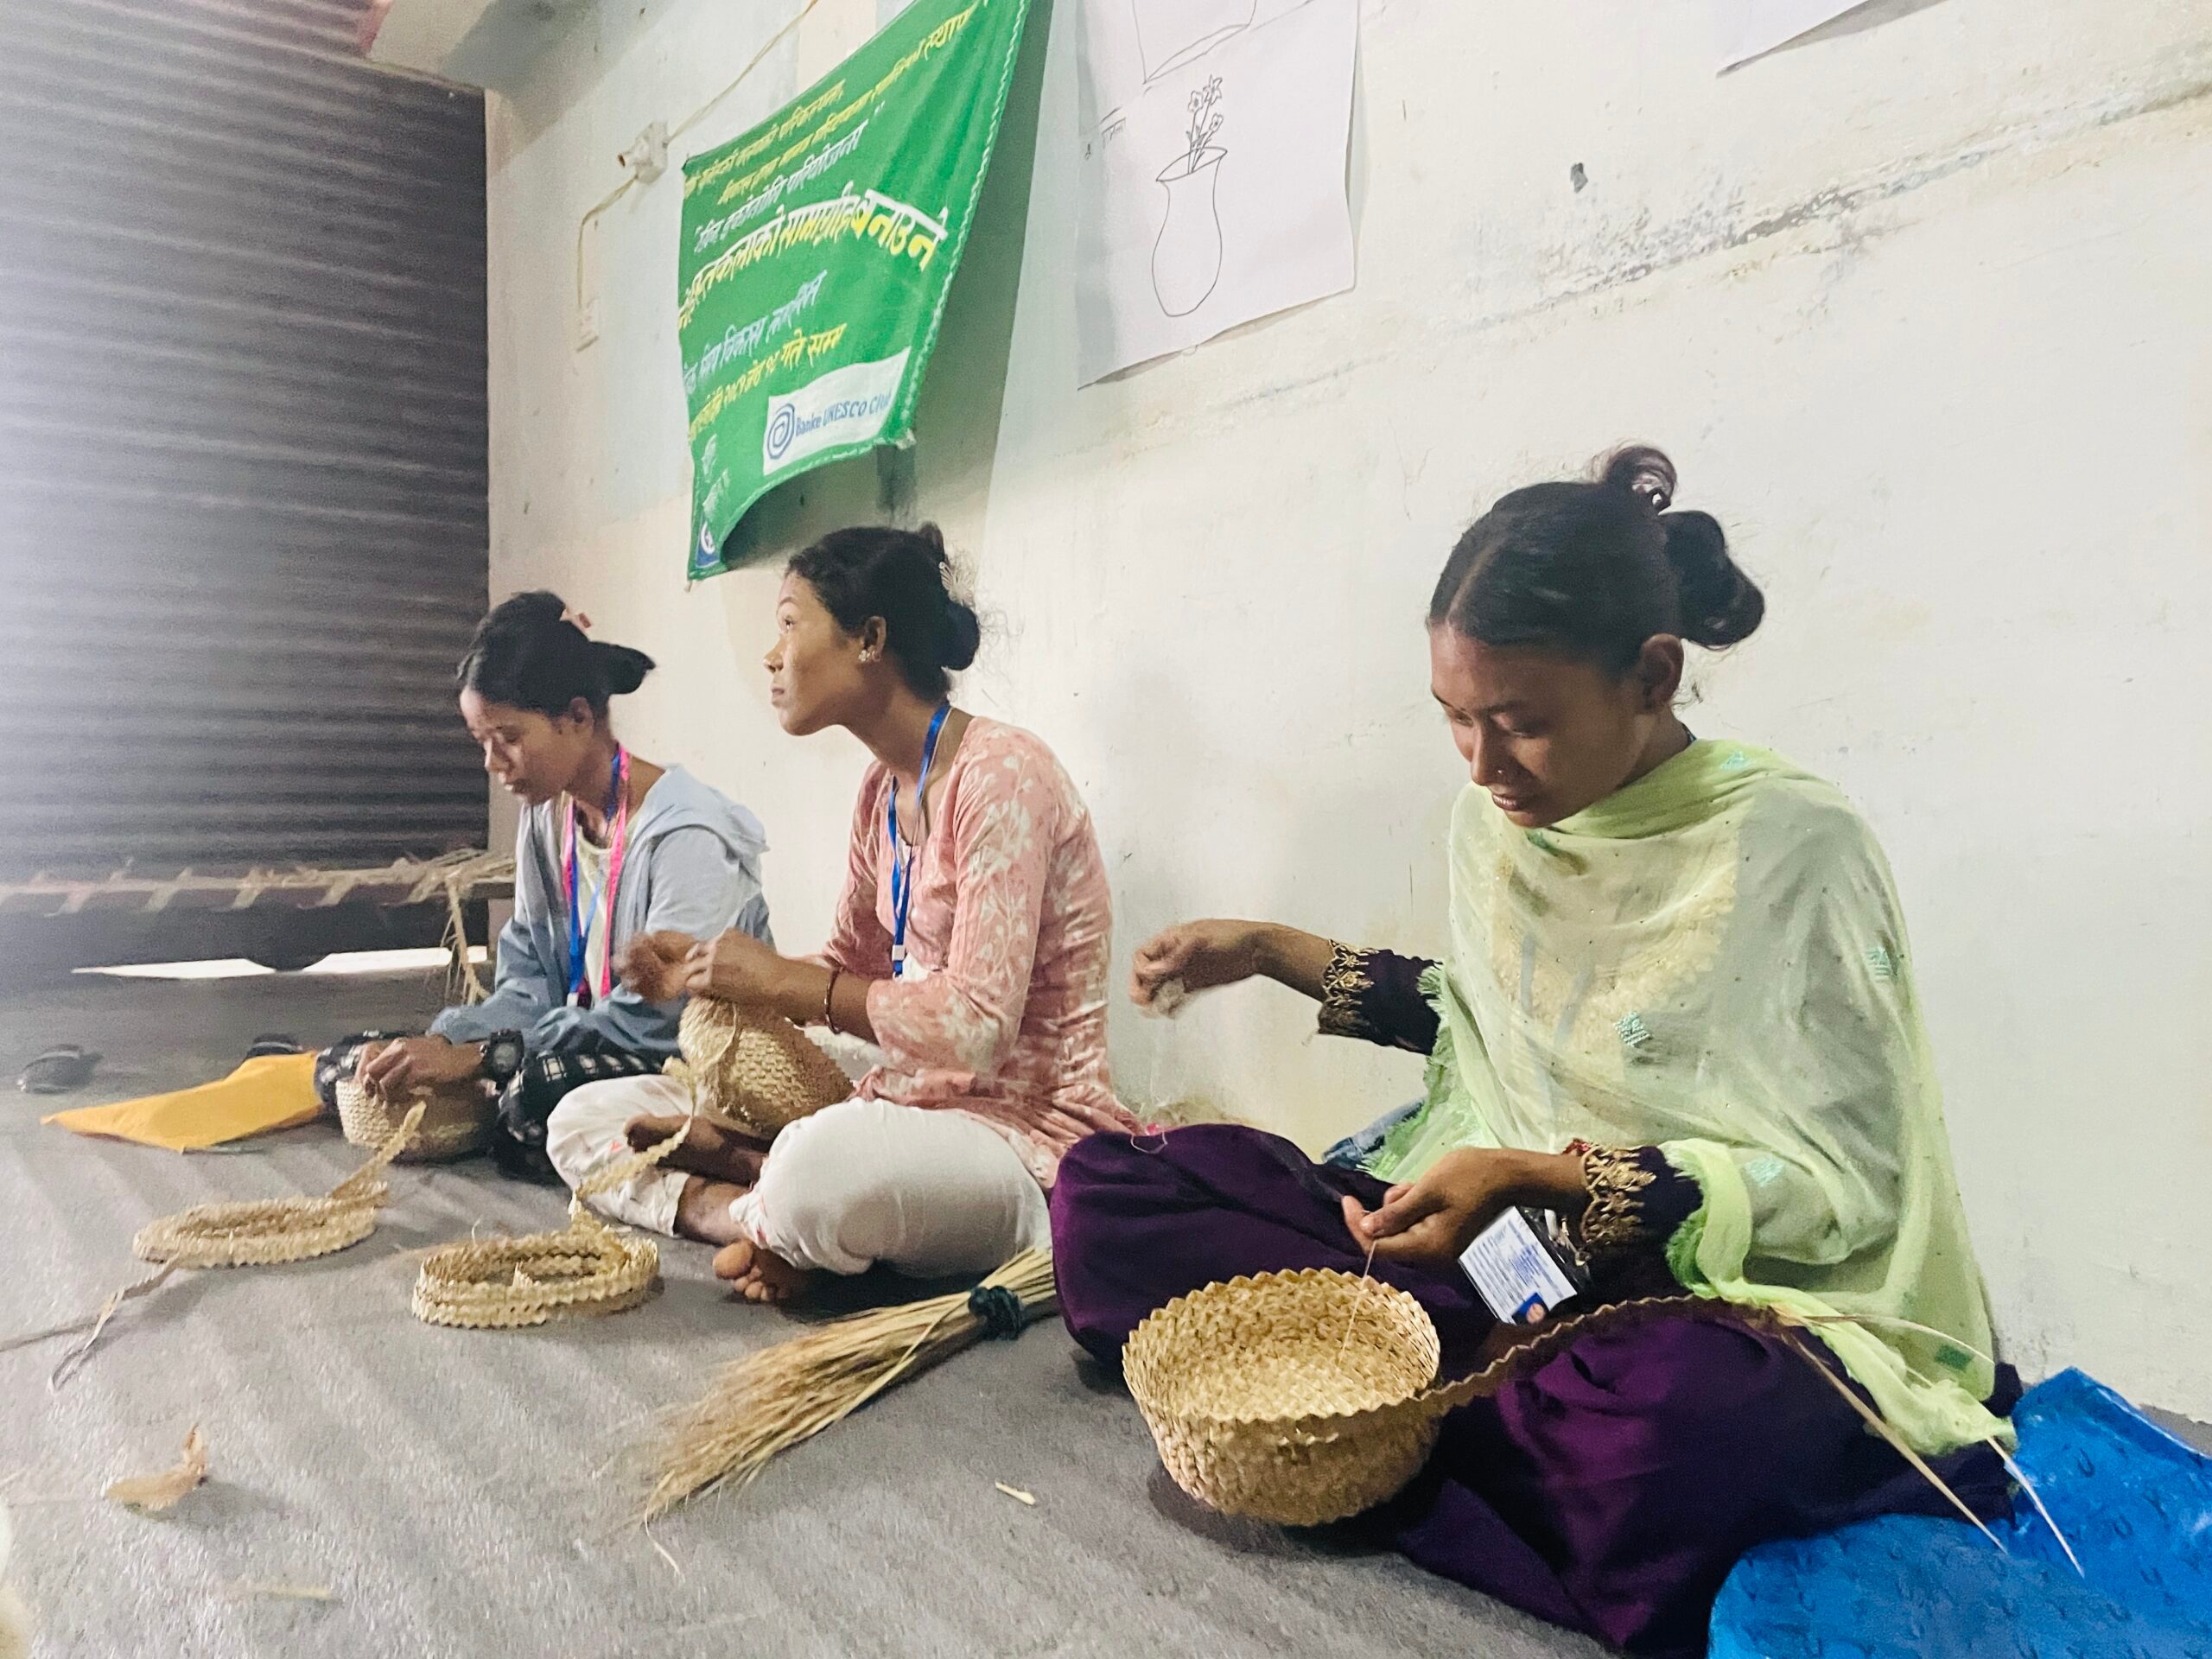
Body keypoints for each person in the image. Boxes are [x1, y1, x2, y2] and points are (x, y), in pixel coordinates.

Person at [1048, 448, 2015, 1657]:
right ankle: (1445, 1397)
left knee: (1671, 1433)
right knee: (1116, 1191)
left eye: (1522, 725)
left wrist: (1539, 1177)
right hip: (1504, 1254)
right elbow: (1493, 1023)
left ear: (1653, 677)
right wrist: (1270, 949)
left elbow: (1843, 1189)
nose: (1484, 765)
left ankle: (1382, 1413)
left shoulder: (1793, 849)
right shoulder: (1496, 822)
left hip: (1712, 1291)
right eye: (1456, 720)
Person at [545, 524, 1139, 1301]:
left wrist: (782, 986)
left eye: (790, 623)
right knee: (582, 1117)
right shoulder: (880, 793)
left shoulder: (1003, 776)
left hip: (1025, 1140)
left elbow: (977, 1027)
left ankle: (769, 1189)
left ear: (870, 639)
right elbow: (848, 970)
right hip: (904, 1100)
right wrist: (705, 968)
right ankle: (743, 1212)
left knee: (822, 1173)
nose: (772, 653)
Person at [313, 593, 773, 1179]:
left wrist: (481, 1057)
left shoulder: (687, 833)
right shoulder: (546, 816)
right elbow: (527, 977)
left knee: (533, 1092)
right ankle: (494, 1104)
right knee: (348, 1064)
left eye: (506, 736)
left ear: (578, 717)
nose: (492, 762)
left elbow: (655, 1022)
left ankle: (503, 1105)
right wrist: (453, 1041)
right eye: (481, 740)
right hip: (570, 1040)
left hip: (679, 1057)